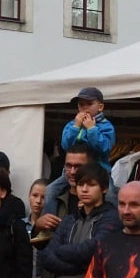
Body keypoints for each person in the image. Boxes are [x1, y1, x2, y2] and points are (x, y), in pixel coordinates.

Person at [38, 87, 115, 232]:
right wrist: (76, 126)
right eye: (81, 104)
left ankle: (113, 226)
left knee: (111, 194)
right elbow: (65, 145)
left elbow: (104, 148)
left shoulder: (106, 126)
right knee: (50, 190)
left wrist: (92, 129)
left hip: (99, 171)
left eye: (89, 104)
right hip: (72, 170)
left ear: (100, 107)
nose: (84, 108)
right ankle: (48, 227)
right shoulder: (71, 124)